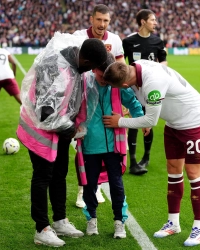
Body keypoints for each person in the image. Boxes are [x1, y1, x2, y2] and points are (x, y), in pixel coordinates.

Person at [102, 60, 200, 247]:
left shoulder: (153, 83)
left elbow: (151, 119)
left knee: (193, 173)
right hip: (174, 122)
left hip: (194, 120)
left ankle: (199, 228)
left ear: (125, 85)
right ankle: (173, 223)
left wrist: (119, 122)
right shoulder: (136, 66)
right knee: (173, 171)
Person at [16, 34, 108, 247]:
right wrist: (71, 129)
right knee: (42, 176)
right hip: (40, 129)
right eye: (91, 67)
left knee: (60, 172)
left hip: (60, 129)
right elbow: (46, 114)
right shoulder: (55, 68)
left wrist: (72, 126)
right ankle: (41, 228)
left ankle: (59, 220)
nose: (90, 72)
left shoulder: (75, 59)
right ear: (86, 61)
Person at [76, 52, 144, 238]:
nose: (105, 79)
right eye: (101, 74)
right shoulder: (84, 84)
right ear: (94, 69)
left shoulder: (116, 83)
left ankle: (118, 222)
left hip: (114, 145)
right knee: (89, 185)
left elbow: (134, 104)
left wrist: (142, 121)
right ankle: (91, 219)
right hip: (89, 144)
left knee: (116, 185)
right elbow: (72, 107)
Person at [72, 3, 125, 208]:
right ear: (91, 19)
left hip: (106, 100)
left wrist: (123, 104)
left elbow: (120, 69)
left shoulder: (115, 40)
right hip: (81, 99)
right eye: (99, 20)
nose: (102, 24)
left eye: (106, 21)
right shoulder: (78, 36)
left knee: (105, 147)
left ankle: (95, 187)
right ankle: (81, 190)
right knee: (82, 148)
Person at [122, 9, 167, 175]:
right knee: (135, 120)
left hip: (150, 88)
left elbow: (164, 62)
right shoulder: (128, 42)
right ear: (143, 22)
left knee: (149, 121)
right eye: (152, 20)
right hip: (134, 88)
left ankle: (146, 157)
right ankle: (133, 161)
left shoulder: (158, 41)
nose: (155, 23)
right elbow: (123, 65)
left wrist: (155, 73)